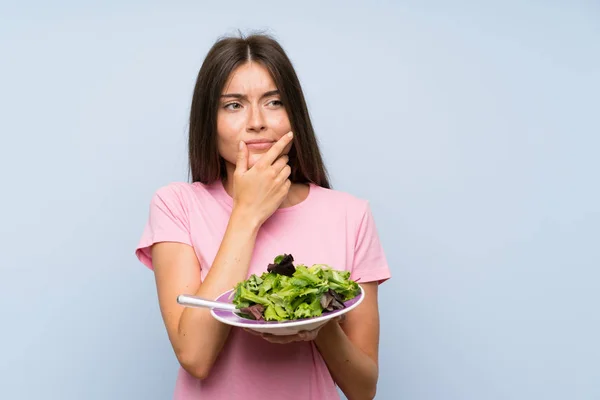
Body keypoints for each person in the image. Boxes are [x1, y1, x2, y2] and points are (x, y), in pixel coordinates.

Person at [135, 33, 391, 400]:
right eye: (234, 106)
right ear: (209, 119)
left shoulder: (351, 215)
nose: (256, 122)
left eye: (274, 102)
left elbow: (363, 388)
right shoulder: (175, 206)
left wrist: (319, 323)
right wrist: (247, 214)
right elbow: (195, 356)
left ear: (295, 115)